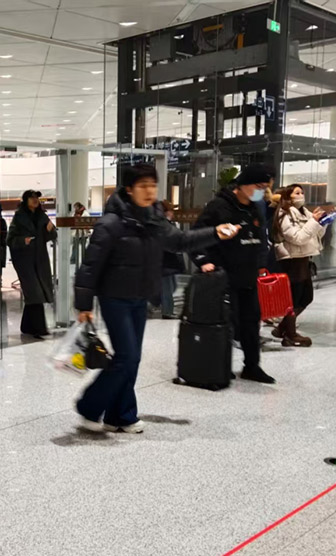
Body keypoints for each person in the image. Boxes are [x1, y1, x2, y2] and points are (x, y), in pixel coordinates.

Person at [75, 165, 238, 434]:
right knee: (126, 356)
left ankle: (121, 416)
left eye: (153, 185)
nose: (150, 191)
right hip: (114, 298)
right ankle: (89, 407)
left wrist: (214, 233)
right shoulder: (111, 223)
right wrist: (83, 304)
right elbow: (90, 266)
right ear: (129, 189)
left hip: (140, 297)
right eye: (143, 185)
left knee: (132, 359)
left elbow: (180, 241)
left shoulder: (154, 221)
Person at [193, 163, 277, 384]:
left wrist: (261, 264)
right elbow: (197, 235)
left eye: (265, 187)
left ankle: (252, 366)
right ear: (243, 184)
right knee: (226, 324)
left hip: (248, 276)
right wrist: (204, 261)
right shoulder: (219, 207)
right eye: (259, 186)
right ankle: (221, 366)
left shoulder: (255, 208)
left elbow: (261, 239)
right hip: (223, 276)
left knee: (251, 323)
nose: (262, 191)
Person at [270, 184, 326, 347]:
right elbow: (297, 238)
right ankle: (290, 334)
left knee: (306, 296)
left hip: (303, 258)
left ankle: (283, 328)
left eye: (302, 192)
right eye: (297, 193)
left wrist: (322, 222)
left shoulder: (304, 212)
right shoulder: (284, 214)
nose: (301, 195)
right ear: (288, 196)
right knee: (295, 298)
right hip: (291, 259)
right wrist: (313, 222)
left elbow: (315, 234)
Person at [7, 190, 57, 338]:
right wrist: (24, 241)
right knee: (35, 292)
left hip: (39, 259)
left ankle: (27, 326)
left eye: (37, 198)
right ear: (26, 200)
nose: (35, 200)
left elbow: (51, 235)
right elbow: (10, 240)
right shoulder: (19, 217)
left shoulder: (42, 216)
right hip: (24, 260)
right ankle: (40, 328)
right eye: (32, 197)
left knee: (35, 293)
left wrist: (50, 230)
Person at [160, 200, 185, 319]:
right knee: (167, 288)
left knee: (171, 287)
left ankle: (166, 309)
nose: (173, 213)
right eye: (171, 210)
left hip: (168, 262)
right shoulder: (164, 225)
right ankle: (167, 311)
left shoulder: (168, 224)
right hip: (164, 262)